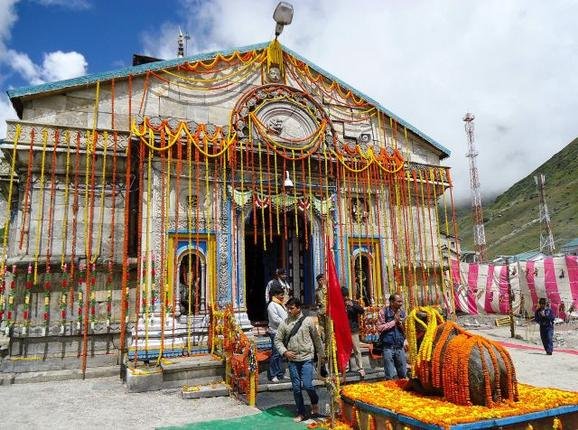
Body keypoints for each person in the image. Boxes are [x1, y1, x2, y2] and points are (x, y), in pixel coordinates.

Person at [274, 298, 325, 422]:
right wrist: (285, 352)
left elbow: (316, 339)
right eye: (288, 308)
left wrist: (321, 355)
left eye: (291, 308)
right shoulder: (284, 323)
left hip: (307, 357)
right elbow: (277, 340)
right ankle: (301, 412)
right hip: (292, 360)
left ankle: (314, 401)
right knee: (296, 387)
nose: (289, 311)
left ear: (298, 308)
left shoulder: (308, 321)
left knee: (308, 385)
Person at [376, 293, 407, 380]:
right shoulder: (383, 312)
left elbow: (407, 329)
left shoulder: (403, 313)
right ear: (392, 302)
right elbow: (379, 328)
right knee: (390, 374)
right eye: (398, 301)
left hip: (399, 346)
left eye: (401, 301)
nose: (401, 303)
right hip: (388, 347)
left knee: (403, 373)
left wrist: (401, 325)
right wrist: (393, 322)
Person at [342, 287, 365, 379]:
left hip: (353, 329)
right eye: (344, 296)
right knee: (345, 349)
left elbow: (362, 311)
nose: (345, 298)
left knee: (356, 349)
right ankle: (346, 367)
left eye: (346, 296)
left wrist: (353, 305)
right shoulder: (339, 304)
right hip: (343, 330)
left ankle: (360, 367)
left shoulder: (353, 303)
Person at [267, 285, 288, 382]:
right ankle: (273, 374)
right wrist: (286, 322)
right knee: (275, 354)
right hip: (275, 331)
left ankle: (280, 373)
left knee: (280, 353)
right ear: (275, 295)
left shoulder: (280, 304)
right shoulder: (272, 305)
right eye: (281, 295)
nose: (282, 297)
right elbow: (275, 319)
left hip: (282, 331)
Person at [314, 273, 327, 338]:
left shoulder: (327, 289)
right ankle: (323, 339)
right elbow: (316, 301)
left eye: (322, 280)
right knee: (321, 327)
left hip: (327, 311)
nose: (320, 282)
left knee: (328, 326)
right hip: (320, 311)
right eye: (319, 280)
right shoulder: (317, 291)